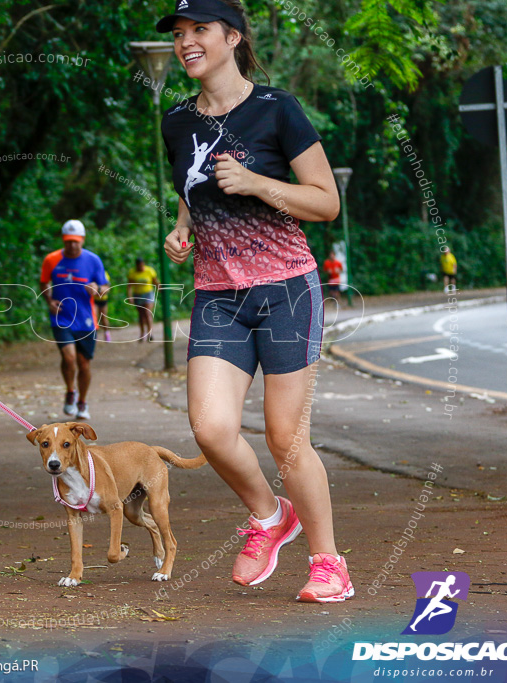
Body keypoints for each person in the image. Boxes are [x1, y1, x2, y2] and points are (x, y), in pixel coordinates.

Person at [156, 0, 353, 602]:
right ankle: (271, 517)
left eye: (200, 31)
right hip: (218, 295)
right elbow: (195, 186)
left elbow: (325, 202)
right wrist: (185, 227)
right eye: (179, 34)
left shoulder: (277, 110)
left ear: (232, 37)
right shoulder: (175, 121)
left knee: (285, 438)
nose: (186, 42)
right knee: (211, 429)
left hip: (286, 288)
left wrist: (257, 182)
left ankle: (328, 564)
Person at [39, 220, 107, 420]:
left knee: (83, 363)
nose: (72, 245)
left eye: (76, 241)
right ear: (63, 240)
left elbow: (105, 287)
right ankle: (70, 392)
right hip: (61, 317)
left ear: (83, 240)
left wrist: (97, 289)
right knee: (69, 358)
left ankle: (82, 402)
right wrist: (49, 300)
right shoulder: (51, 260)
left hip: (86, 319)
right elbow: (44, 282)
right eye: (68, 241)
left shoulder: (93, 260)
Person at [126, 258, 160, 342]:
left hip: (148, 293)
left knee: (147, 313)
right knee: (141, 315)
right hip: (137, 294)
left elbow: (155, 282)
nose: (140, 267)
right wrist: (130, 297)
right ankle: (142, 333)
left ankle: (150, 333)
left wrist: (159, 288)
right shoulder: (132, 273)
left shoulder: (149, 271)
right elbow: (129, 286)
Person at [95, 268, 113, 342]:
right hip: (94, 299)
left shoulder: (104, 274)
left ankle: (107, 333)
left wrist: (99, 290)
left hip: (103, 299)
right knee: (94, 317)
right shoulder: (90, 272)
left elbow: (107, 287)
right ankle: (94, 335)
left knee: (103, 317)